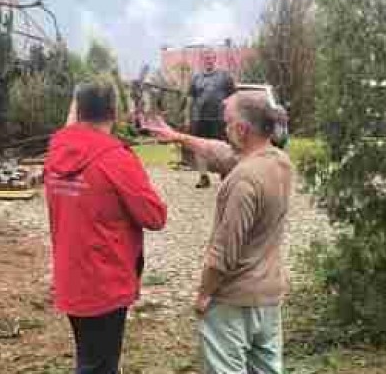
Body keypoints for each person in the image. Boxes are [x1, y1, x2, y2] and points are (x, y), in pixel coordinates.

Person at [144, 92, 293, 374]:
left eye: (228, 123)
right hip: (269, 297)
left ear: (242, 129)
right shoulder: (279, 162)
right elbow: (220, 151)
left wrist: (203, 295)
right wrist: (178, 136)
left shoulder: (243, 180)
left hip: (232, 300)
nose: (224, 130)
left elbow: (224, 251)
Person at [45, 81, 168, 374]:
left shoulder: (57, 150)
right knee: (100, 364)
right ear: (114, 112)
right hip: (105, 281)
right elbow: (155, 216)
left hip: (70, 277)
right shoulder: (116, 158)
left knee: (90, 358)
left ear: (78, 110)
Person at [185, 49, 236, 188]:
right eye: (206, 58)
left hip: (219, 119)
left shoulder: (225, 76)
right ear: (202, 60)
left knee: (223, 148)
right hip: (199, 118)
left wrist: (231, 114)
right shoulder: (196, 78)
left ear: (215, 59)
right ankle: (203, 177)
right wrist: (188, 117)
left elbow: (233, 96)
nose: (208, 60)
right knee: (199, 147)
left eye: (211, 58)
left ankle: (225, 176)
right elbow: (191, 99)